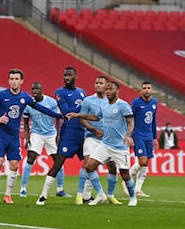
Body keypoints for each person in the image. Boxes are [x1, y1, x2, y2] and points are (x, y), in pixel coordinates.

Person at [0, 68, 62, 205]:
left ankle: (8, 195)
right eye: (11, 79)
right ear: (8, 80)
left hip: (14, 136)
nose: (14, 82)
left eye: (16, 79)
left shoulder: (25, 97)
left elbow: (40, 108)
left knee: (14, 165)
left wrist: (58, 115)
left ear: (21, 81)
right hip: (1, 134)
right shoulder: (1, 95)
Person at [66, 81, 138, 206]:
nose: (108, 92)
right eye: (107, 90)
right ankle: (100, 194)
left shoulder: (123, 105)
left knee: (125, 174)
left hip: (120, 147)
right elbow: (95, 117)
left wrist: (127, 135)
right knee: (89, 167)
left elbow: (130, 122)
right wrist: (78, 114)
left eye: (110, 89)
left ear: (117, 91)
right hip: (105, 145)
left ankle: (133, 197)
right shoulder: (104, 104)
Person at [36, 66, 86, 206]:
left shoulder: (82, 92)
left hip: (82, 131)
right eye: (64, 75)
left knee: (90, 164)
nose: (66, 78)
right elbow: (65, 111)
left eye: (69, 75)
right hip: (69, 132)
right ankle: (43, 195)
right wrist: (83, 108)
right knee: (58, 163)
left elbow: (83, 112)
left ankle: (86, 195)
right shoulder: (60, 92)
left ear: (75, 76)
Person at [75, 76, 121, 205]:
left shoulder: (112, 102)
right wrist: (94, 129)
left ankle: (110, 195)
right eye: (96, 83)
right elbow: (82, 118)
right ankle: (80, 195)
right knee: (88, 164)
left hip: (108, 140)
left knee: (112, 166)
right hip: (91, 137)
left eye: (101, 83)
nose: (98, 85)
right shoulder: (88, 100)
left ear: (107, 86)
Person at [19, 82, 70, 198]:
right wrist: (27, 138)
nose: (34, 91)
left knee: (58, 161)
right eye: (33, 89)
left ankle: (60, 189)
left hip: (51, 134)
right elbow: (26, 123)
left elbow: (58, 118)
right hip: (37, 134)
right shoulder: (29, 104)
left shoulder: (51, 102)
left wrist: (58, 135)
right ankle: (23, 189)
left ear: (41, 90)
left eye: (37, 88)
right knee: (30, 158)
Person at [124, 81, 158, 198]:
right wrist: (129, 135)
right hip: (138, 135)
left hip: (149, 136)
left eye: (148, 88)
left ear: (151, 90)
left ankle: (138, 189)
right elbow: (128, 119)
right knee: (142, 161)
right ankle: (126, 180)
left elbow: (153, 121)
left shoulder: (154, 103)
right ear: (141, 90)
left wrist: (155, 137)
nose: (146, 90)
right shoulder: (136, 103)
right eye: (144, 88)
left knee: (146, 163)